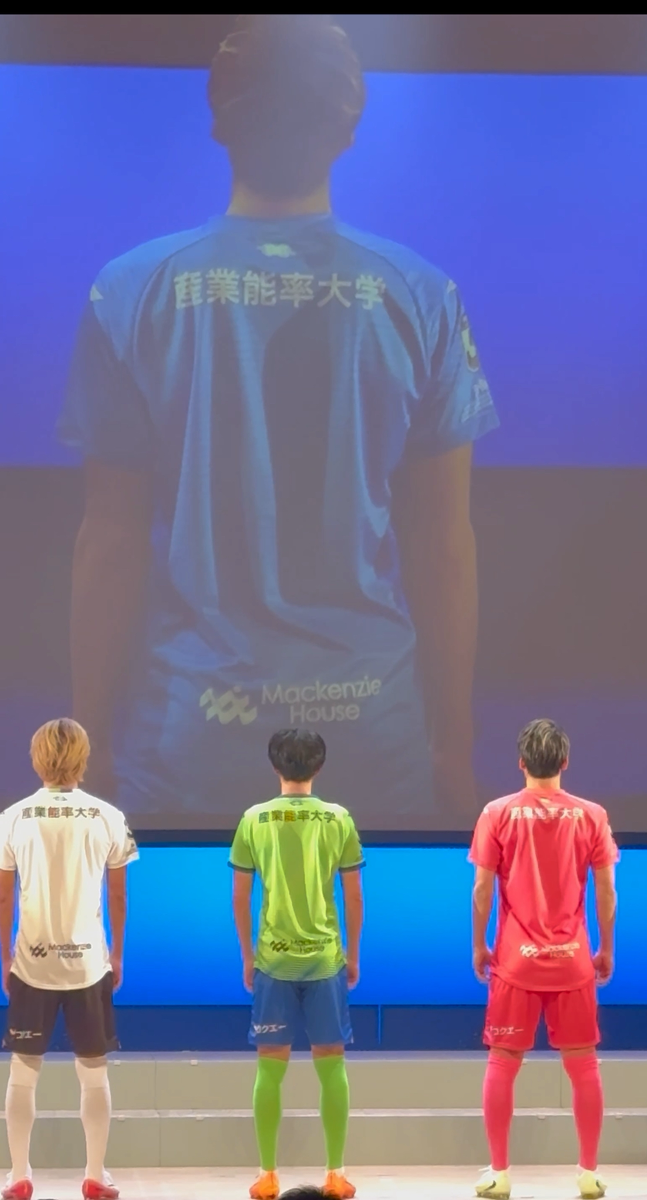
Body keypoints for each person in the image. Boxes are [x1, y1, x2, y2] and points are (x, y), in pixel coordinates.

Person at [59, 13, 499, 829]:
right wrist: (453, 747)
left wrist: (85, 744)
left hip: (189, 733)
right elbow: (443, 546)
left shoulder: (131, 292)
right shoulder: (419, 295)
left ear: (220, 121)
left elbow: (109, 540)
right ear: (348, 128)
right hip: (373, 732)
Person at [469, 718, 619, 1200]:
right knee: (584, 1065)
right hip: (573, 960)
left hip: (516, 961)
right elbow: (607, 892)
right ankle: (589, 1173)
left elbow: (482, 888)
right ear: (565, 762)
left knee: (502, 1062)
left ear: (521, 762)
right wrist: (606, 948)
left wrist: (479, 944)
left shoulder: (496, 812)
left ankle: (499, 1173)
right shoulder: (592, 815)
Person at [0, 719, 138, 1200]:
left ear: (37, 757)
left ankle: (18, 1175)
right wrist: (116, 953)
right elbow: (118, 896)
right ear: (84, 757)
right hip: (88, 964)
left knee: (23, 1071)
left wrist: (5, 957)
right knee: (93, 1071)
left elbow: (3, 898)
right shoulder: (108, 816)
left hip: (31, 962)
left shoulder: (12, 817)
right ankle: (95, 1175)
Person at [230, 728, 365, 1200]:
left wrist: (248, 957)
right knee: (332, 1066)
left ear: (275, 766)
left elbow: (240, 896)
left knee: (269, 1069)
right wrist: (353, 955)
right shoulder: (338, 818)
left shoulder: (253, 819)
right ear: (319, 766)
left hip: (273, 961)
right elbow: (353, 895)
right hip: (327, 961)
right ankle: (336, 1174)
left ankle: (267, 1175)